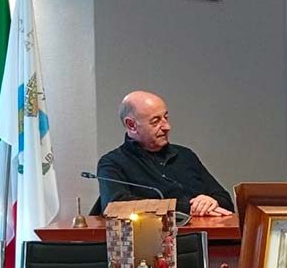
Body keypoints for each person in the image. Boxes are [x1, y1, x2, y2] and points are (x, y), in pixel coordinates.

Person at [97, 91, 234, 216]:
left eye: (166, 118)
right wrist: (189, 208)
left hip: (208, 232)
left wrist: (210, 202)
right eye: (155, 121)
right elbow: (116, 207)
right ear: (131, 125)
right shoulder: (112, 163)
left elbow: (225, 200)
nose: (167, 127)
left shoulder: (185, 155)